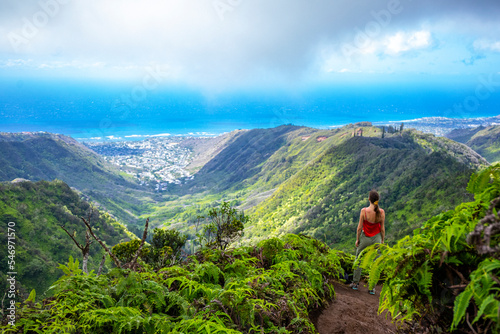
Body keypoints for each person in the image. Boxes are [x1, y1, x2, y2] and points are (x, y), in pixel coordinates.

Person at [351, 190, 385, 294]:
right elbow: (382, 229)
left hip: (365, 238)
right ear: (377, 200)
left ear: (369, 199)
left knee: (359, 259)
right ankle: (372, 288)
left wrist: (358, 239)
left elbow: (359, 228)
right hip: (376, 239)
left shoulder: (364, 211)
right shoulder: (381, 212)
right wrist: (382, 240)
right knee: (376, 262)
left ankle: (355, 283)